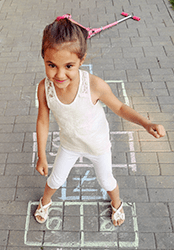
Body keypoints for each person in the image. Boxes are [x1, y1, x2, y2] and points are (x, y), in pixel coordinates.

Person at [34, 16, 166, 227]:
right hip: (69, 146)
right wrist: (42, 155)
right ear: (43, 58)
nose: (59, 74)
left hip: (98, 147)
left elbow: (120, 108)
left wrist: (145, 123)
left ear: (81, 60)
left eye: (69, 66)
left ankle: (116, 203)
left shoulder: (94, 85)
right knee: (55, 180)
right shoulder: (44, 88)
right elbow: (43, 120)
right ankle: (45, 201)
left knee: (107, 181)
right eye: (51, 65)